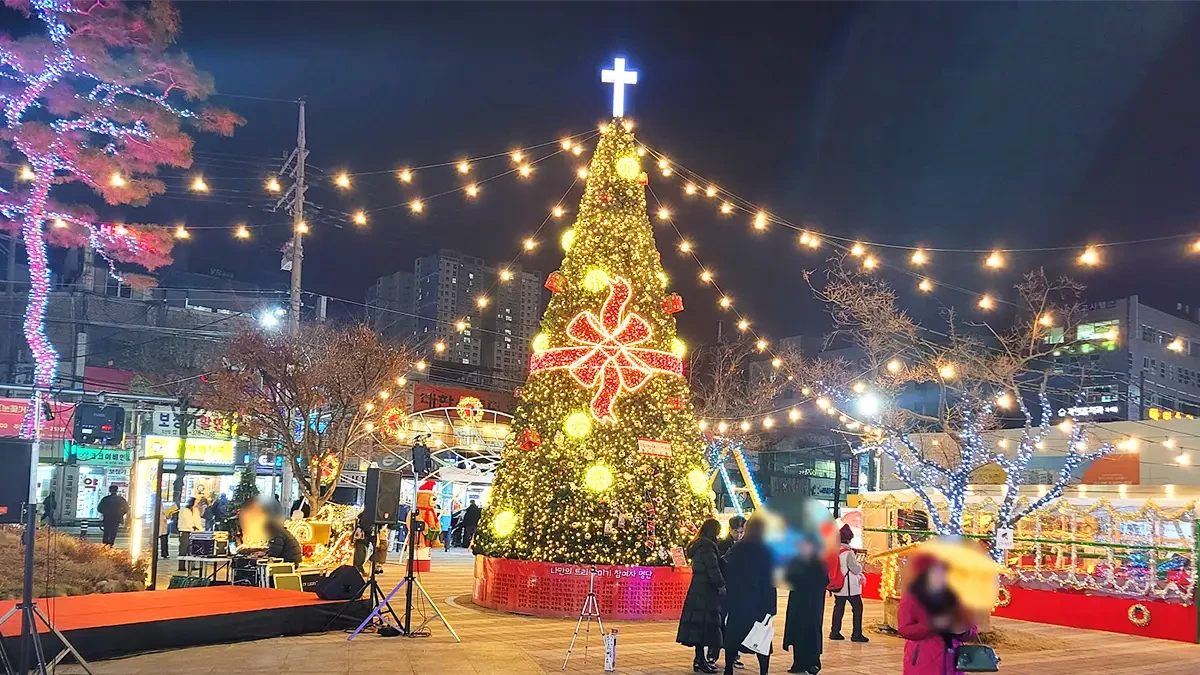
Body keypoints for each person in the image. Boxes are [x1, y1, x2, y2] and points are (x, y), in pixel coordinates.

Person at [897, 554, 978, 675]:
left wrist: (962, 630)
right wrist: (932, 625)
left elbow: (972, 628)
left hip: (953, 662)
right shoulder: (913, 597)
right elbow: (904, 629)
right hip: (922, 663)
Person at [722, 516, 775, 675]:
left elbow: (726, 568)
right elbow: (769, 579)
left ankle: (728, 668)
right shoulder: (766, 550)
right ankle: (763, 671)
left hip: (738, 600)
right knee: (762, 639)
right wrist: (771, 607)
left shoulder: (738, 548)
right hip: (758, 602)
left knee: (733, 636)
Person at [676, 518, 725, 674]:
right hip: (705, 592)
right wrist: (721, 585)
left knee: (699, 628)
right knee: (704, 627)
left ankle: (700, 660)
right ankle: (700, 661)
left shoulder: (699, 544)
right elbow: (712, 568)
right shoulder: (707, 547)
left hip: (698, 589)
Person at [783, 536, 828, 674]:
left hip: (811, 603)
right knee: (799, 632)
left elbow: (824, 580)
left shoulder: (818, 562)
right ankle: (799, 663)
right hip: (801, 603)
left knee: (810, 631)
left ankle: (813, 662)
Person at [829, 524, 868, 642]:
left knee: (838, 607)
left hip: (837, 584)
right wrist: (861, 566)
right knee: (857, 608)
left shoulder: (833, 550)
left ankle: (835, 631)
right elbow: (855, 569)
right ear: (849, 538)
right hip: (849, 586)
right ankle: (856, 634)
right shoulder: (848, 552)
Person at [177, 497, 203, 571]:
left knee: (192, 549)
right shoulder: (184, 510)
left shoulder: (195, 510)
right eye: (195, 502)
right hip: (184, 531)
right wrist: (193, 527)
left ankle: (192, 565)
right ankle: (181, 566)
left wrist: (200, 529)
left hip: (193, 532)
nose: (196, 504)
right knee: (183, 549)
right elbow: (187, 521)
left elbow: (197, 521)